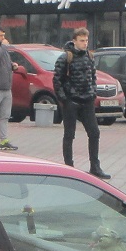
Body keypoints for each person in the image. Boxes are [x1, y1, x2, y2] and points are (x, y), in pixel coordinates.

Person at [53, 27, 109, 178]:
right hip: (71, 101)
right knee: (69, 134)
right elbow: (57, 80)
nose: (85, 43)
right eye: (82, 40)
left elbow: (93, 76)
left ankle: (95, 166)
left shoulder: (89, 56)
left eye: (86, 40)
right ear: (74, 41)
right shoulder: (65, 57)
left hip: (87, 100)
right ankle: (69, 167)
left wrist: (93, 92)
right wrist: (65, 99)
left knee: (94, 132)